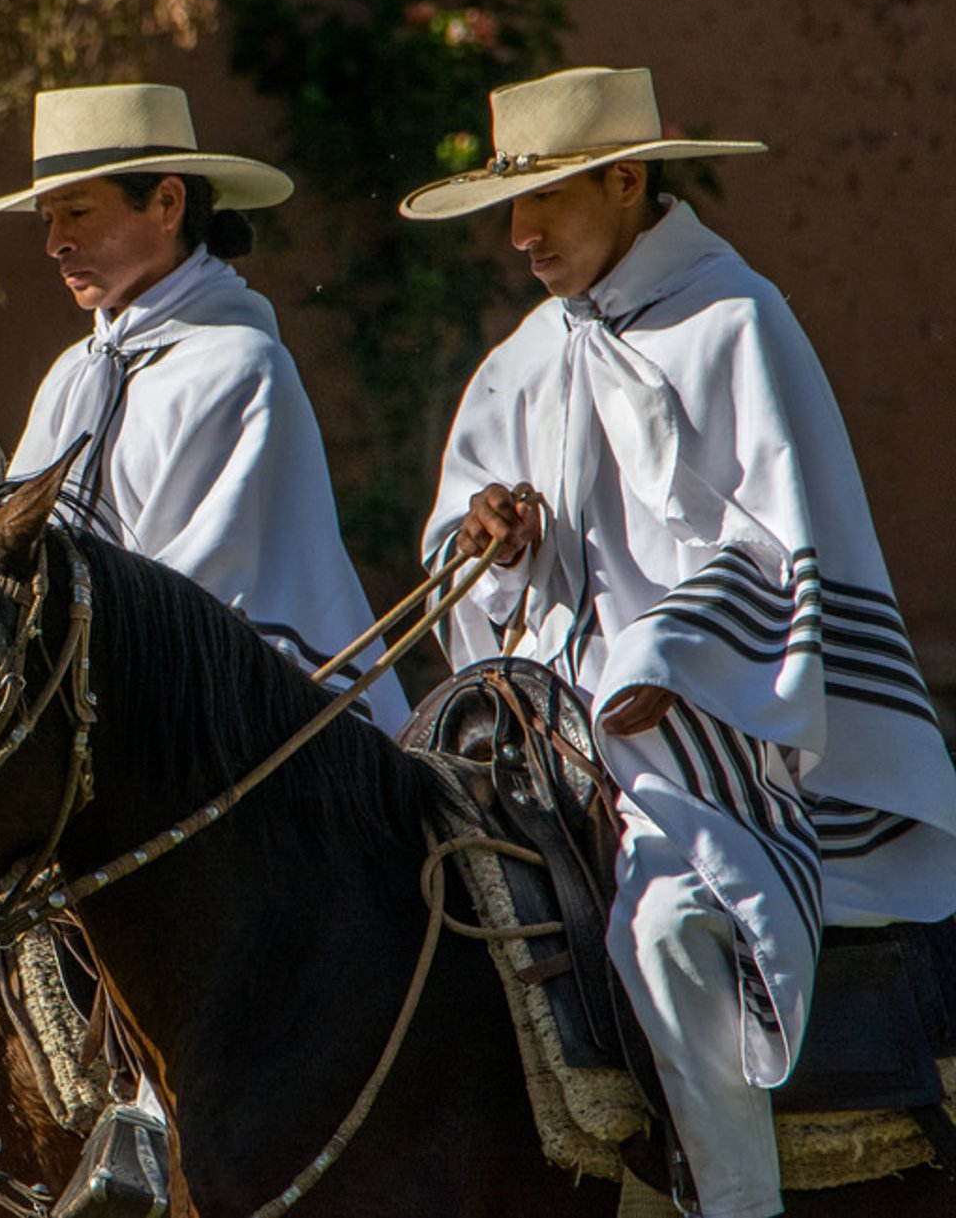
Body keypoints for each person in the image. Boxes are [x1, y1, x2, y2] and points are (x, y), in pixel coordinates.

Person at [404, 65, 956, 1217]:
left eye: (546, 199)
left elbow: (778, 546)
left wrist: (661, 656)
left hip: (726, 739)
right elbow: (470, 562)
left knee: (669, 929)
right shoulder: (525, 355)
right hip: (551, 739)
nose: (520, 234)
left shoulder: (736, 320)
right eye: (512, 207)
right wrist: (493, 541)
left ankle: (738, 1198)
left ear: (624, 179)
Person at [0, 81, 408, 734]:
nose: (54, 242)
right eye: (46, 218)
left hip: (232, 735)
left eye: (76, 212)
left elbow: (198, 592)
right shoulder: (71, 376)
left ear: (167, 202)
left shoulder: (243, 367)